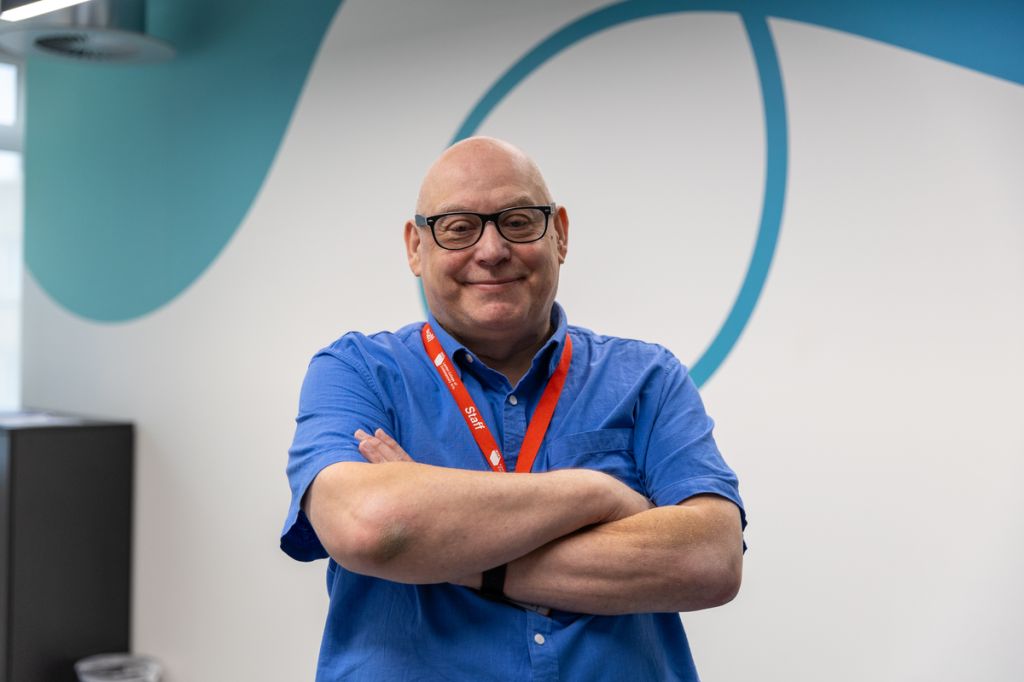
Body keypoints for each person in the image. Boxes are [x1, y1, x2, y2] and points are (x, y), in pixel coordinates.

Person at [281, 136, 746, 681]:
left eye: (519, 221)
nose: (492, 249)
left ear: (561, 235)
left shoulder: (648, 378)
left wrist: (441, 547)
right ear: (415, 246)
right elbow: (370, 526)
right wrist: (594, 495)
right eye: (459, 227)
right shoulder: (357, 371)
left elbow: (708, 561)